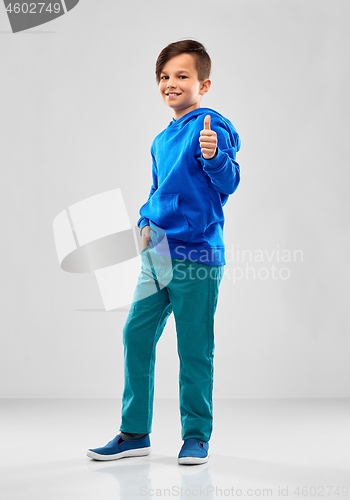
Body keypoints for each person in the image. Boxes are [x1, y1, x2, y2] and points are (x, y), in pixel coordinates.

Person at [87, 39, 241, 465]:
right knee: (136, 334)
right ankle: (134, 432)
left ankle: (196, 436)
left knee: (194, 349)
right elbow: (157, 189)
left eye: (181, 76)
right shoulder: (160, 139)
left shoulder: (210, 123)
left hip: (198, 257)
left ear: (203, 84)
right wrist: (143, 222)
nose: (171, 83)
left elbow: (229, 181)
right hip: (158, 253)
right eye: (164, 77)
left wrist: (214, 158)